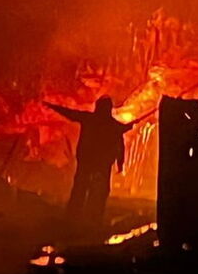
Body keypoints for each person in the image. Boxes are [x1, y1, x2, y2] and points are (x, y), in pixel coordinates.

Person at [45, 97, 134, 230]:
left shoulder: (91, 119)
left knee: (82, 188)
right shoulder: (113, 125)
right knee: (98, 190)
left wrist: (51, 106)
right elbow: (119, 145)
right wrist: (120, 162)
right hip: (101, 162)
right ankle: (93, 218)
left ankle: (75, 216)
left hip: (88, 160)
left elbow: (70, 113)